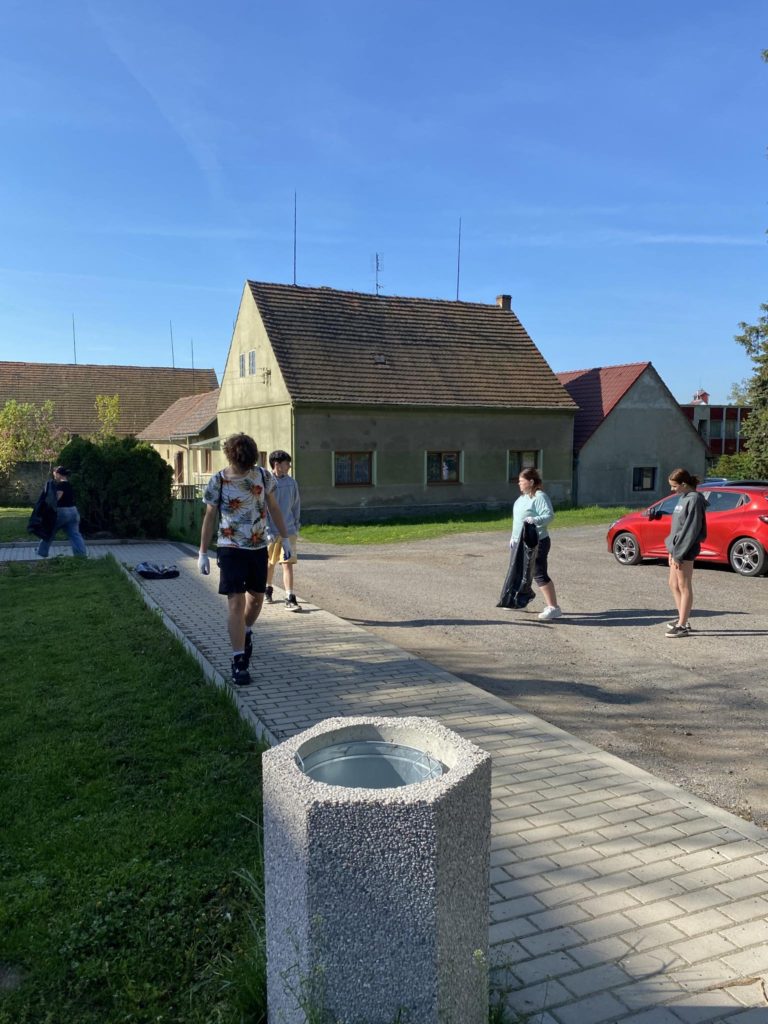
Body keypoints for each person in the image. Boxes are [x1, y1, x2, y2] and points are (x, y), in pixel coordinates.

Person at [198, 433, 292, 686]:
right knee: (236, 603)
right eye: (241, 464)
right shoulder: (218, 480)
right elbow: (209, 516)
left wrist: (285, 538)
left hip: (258, 547)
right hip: (230, 549)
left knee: (257, 600)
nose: (244, 469)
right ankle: (239, 660)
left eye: (248, 464)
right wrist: (203, 552)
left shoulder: (262, 476)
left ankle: (246, 630)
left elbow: (274, 508)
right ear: (232, 458)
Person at [511, 467, 562, 621]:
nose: (519, 484)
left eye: (521, 481)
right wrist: (513, 537)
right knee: (521, 573)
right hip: (520, 542)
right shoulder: (522, 498)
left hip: (537, 541)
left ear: (531, 482)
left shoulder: (540, 497)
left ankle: (553, 608)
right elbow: (517, 520)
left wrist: (536, 520)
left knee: (538, 572)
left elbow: (549, 515)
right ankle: (521, 600)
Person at [664, 468, 707, 638]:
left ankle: (682, 625)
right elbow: (677, 527)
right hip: (676, 549)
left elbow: (691, 529)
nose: (672, 489)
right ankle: (683, 618)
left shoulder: (695, 499)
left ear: (683, 484)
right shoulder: (683, 497)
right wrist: (672, 550)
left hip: (685, 549)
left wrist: (679, 553)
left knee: (684, 585)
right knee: (673, 584)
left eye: (674, 486)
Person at [264, 449, 302, 611]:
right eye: (287, 463)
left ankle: (289, 596)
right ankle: (267, 588)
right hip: (272, 532)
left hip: (289, 530)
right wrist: (267, 530)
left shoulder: (292, 483)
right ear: (277, 464)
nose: (289, 466)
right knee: (270, 564)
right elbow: (264, 509)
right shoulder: (267, 483)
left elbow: (296, 505)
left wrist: (296, 525)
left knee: (288, 564)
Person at [35, 467, 88, 558]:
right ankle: (81, 555)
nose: (54, 476)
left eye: (55, 474)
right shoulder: (69, 485)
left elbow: (57, 498)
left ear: (59, 474)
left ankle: (41, 552)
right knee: (75, 534)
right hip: (73, 512)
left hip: (62, 512)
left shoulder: (61, 485)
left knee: (49, 531)